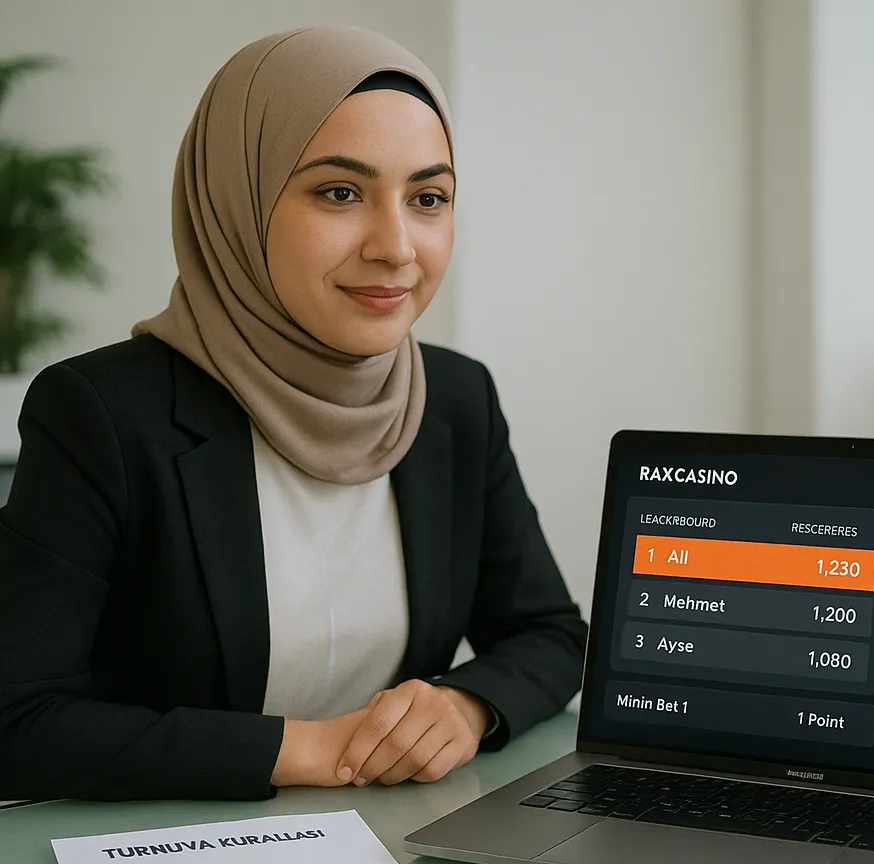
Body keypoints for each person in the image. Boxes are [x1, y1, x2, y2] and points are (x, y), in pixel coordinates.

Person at [0, 27, 587, 801]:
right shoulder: (102, 413)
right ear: (237, 200)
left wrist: (465, 706)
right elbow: (21, 720)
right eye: (339, 192)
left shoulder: (454, 400)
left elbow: (550, 635)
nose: (396, 247)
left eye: (428, 198)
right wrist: (306, 750)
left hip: (398, 853)